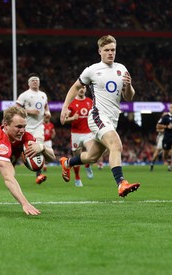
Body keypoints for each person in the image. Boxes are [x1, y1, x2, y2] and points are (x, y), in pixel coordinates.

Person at [59, 35, 140, 198]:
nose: (110, 53)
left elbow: (129, 97)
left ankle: (66, 163)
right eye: (107, 50)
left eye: (113, 50)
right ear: (100, 51)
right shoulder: (92, 70)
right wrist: (65, 107)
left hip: (112, 119)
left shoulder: (122, 69)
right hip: (97, 115)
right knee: (116, 145)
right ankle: (121, 183)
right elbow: (75, 87)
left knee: (92, 157)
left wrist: (129, 85)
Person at [16, 73, 51, 184]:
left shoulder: (43, 95)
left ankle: (39, 175)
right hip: (26, 127)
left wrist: (47, 113)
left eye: (36, 80)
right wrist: (29, 111)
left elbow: (46, 106)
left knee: (38, 148)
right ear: (29, 83)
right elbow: (16, 109)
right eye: (33, 80)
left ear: (39, 82)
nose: (35, 82)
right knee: (18, 149)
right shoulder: (24, 95)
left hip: (39, 127)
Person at [61, 86, 94, 187]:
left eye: (83, 87)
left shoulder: (90, 101)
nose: (81, 89)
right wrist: (72, 118)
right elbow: (63, 121)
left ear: (85, 89)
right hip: (76, 134)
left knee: (92, 152)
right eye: (80, 88)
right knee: (76, 157)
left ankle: (88, 165)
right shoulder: (71, 103)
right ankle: (77, 178)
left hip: (88, 133)